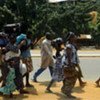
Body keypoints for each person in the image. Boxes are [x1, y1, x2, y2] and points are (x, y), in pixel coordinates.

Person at [61, 32, 78, 98]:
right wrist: (70, 64)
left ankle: (65, 89)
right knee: (71, 78)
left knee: (70, 77)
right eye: (74, 37)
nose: (75, 37)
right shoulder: (69, 46)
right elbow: (68, 55)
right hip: (68, 65)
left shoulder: (71, 45)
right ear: (71, 38)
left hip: (70, 64)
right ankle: (67, 92)